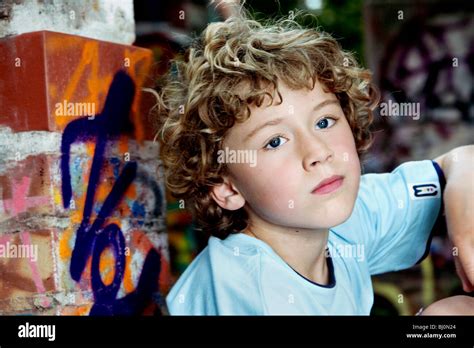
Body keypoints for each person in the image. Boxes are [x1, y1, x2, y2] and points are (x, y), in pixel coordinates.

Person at [154, 8, 474, 315]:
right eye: (275, 141)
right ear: (226, 187)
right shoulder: (243, 289)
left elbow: (462, 161)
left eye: (323, 122)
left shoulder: (340, 226)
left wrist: (465, 225)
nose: (318, 152)